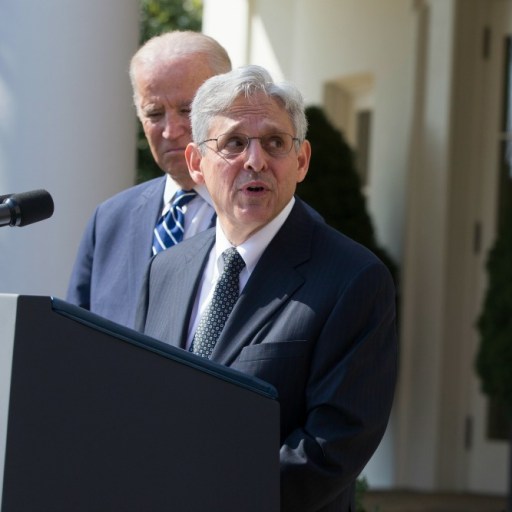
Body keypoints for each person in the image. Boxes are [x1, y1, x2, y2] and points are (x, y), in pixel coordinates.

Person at [134, 65, 398, 512]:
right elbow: (142, 406)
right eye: (235, 142)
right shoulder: (166, 269)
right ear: (197, 163)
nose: (255, 160)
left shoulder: (353, 278)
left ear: (302, 160)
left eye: (275, 142)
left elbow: (331, 447)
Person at [66, 31, 232, 328]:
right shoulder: (109, 219)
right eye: (154, 113)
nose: (171, 130)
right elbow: (72, 337)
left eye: (187, 109)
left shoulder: (262, 216)